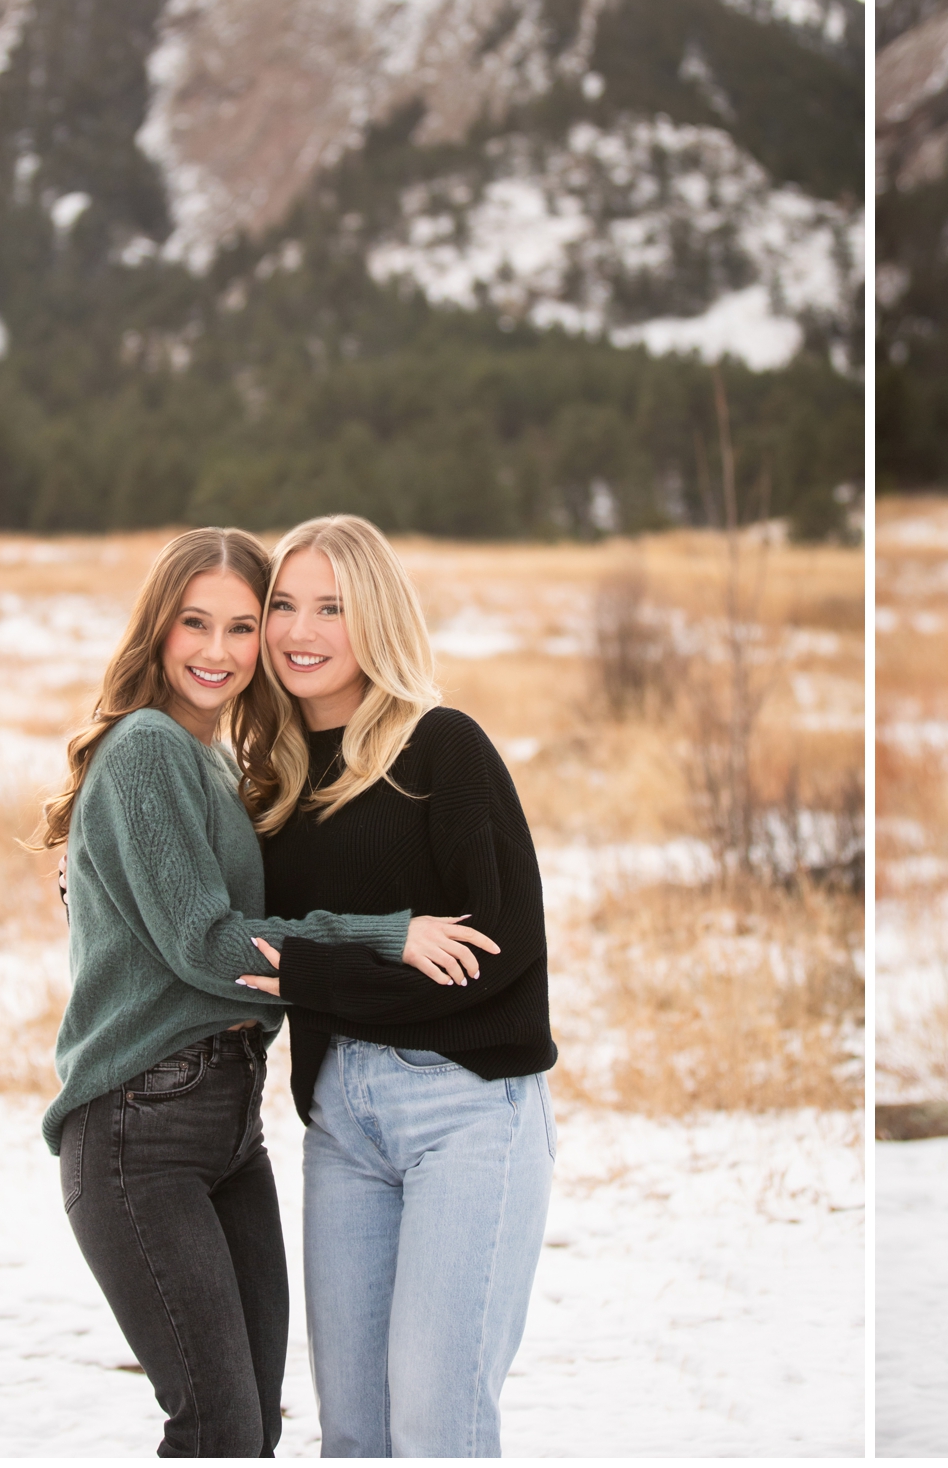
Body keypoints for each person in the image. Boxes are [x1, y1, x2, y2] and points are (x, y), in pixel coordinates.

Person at [35, 527, 494, 1458]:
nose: (218, 651)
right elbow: (210, 946)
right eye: (193, 624)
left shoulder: (212, 757)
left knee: (248, 1430)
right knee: (215, 1428)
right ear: (156, 630)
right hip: (139, 1128)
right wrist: (387, 936)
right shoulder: (150, 748)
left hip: (226, 1127)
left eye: (243, 626)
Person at [232, 514, 556, 1458]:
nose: (300, 630)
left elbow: (498, 958)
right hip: (341, 1122)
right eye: (283, 606)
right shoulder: (273, 788)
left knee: (437, 1430)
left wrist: (319, 974)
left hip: (466, 1111)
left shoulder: (442, 751)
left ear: (375, 616)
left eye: (331, 607)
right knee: (356, 1437)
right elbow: (235, 939)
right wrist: (90, 867)